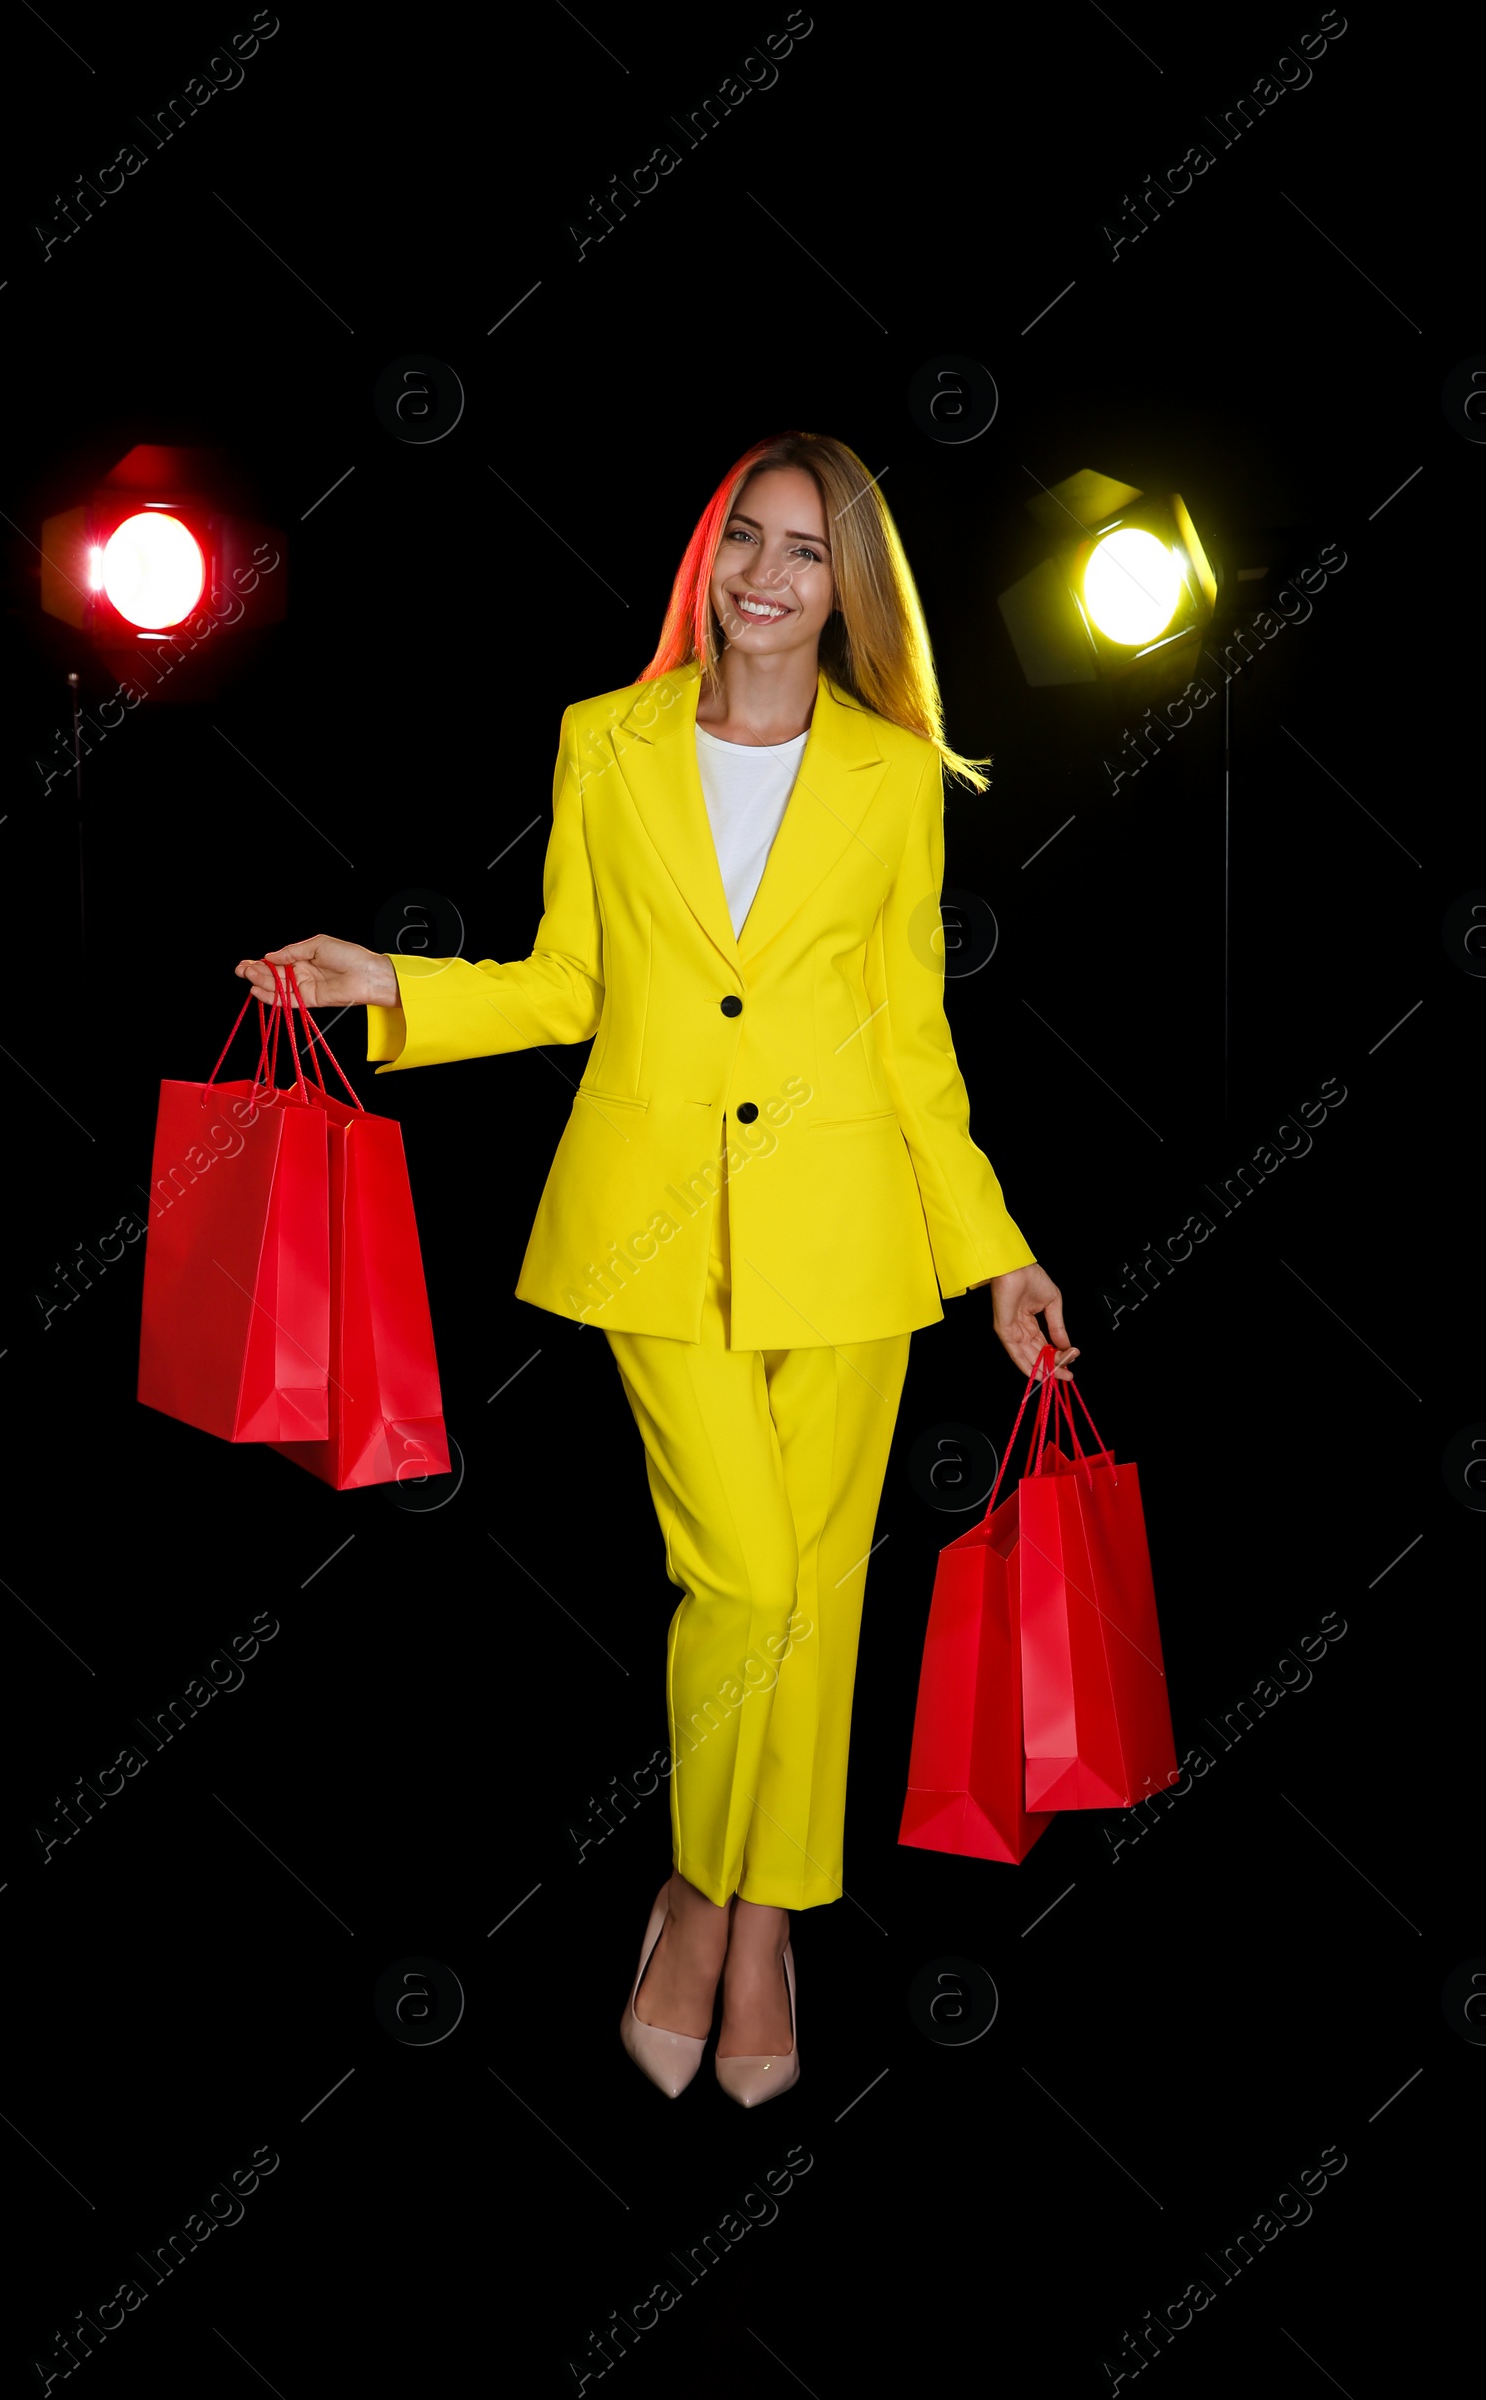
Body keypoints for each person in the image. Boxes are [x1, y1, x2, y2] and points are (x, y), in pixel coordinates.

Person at [236, 430, 1075, 2106]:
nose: (767, 577)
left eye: (807, 554)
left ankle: (756, 1925)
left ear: (850, 591)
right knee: (747, 1585)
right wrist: (380, 983)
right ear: (710, 556)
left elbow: (913, 1042)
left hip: (855, 1239)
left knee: (819, 1602)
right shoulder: (604, 744)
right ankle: (699, 1894)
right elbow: (566, 985)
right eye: (745, 541)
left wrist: (996, 1255)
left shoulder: (894, 778)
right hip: (651, 1237)